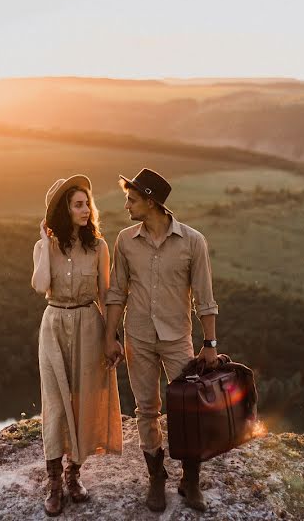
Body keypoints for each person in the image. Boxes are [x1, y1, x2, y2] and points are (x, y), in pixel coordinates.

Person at [104, 168, 219, 513]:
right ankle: (156, 478)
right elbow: (115, 292)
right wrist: (111, 337)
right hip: (137, 336)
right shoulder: (125, 240)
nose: (126, 205)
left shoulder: (193, 242)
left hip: (176, 339)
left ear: (151, 201)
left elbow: (205, 298)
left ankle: (190, 480)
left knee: (189, 410)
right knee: (147, 410)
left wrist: (210, 344)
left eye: (132, 199)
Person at [31, 175, 123, 516]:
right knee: (55, 403)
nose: (86, 210)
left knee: (83, 400)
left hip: (88, 324)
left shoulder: (98, 247)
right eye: (78, 205)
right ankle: (54, 482)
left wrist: (111, 337)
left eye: (88, 204)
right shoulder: (45, 247)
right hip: (54, 325)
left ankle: (73, 475)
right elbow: (41, 286)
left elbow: (105, 293)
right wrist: (44, 242)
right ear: (64, 211)